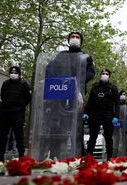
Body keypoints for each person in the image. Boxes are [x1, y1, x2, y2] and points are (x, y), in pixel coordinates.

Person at [32, 31, 95, 160]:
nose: (75, 39)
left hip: (76, 95)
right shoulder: (61, 55)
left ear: (81, 41)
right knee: (58, 126)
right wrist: (48, 80)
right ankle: (56, 155)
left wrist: (78, 83)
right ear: (68, 40)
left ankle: (79, 157)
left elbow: (91, 72)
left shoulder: (86, 57)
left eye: (77, 37)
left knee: (77, 127)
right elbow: (50, 69)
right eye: (72, 37)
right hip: (59, 94)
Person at [0, 66, 31, 161]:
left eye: (15, 72)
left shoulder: (24, 84)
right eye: (11, 71)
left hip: (17, 114)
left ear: (19, 73)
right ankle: (0, 155)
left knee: (19, 136)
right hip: (5, 113)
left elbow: (28, 98)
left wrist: (20, 106)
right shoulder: (5, 84)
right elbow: (2, 95)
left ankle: (21, 155)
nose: (13, 73)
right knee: (2, 135)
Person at [84, 69, 119, 160]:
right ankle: (89, 157)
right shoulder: (95, 87)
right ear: (100, 75)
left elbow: (117, 104)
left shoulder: (113, 88)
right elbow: (90, 102)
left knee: (108, 138)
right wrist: (86, 113)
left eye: (106, 74)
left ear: (109, 76)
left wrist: (116, 116)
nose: (104, 75)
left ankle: (110, 158)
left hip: (108, 114)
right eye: (103, 73)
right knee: (93, 136)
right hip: (95, 114)